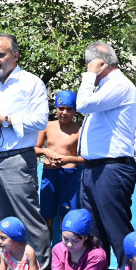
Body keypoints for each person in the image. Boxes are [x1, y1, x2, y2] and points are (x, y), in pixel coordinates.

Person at [0, 33, 51, 270]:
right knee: (3, 221)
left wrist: (5, 120)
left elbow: (40, 121)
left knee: (28, 217)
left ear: (15, 56)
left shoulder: (31, 83)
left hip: (18, 157)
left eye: (1, 54)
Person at [76, 41, 136, 266]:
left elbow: (82, 104)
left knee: (116, 229)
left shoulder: (119, 84)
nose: (86, 68)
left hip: (112, 167)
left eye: (87, 64)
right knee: (94, 234)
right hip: (94, 167)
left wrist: (88, 76)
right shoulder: (104, 88)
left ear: (99, 63)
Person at [36, 90, 83, 240]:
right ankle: (46, 259)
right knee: (46, 219)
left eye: (69, 109)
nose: (64, 112)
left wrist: (67, 159)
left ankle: (68, 258)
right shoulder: (47, 126)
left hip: (69, 177)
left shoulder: (80, 130)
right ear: (55, 108)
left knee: (68, 220)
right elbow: (34, 149)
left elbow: (85, 159)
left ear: (75, 110)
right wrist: (47, 152)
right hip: (49, 176)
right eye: (61, 108)